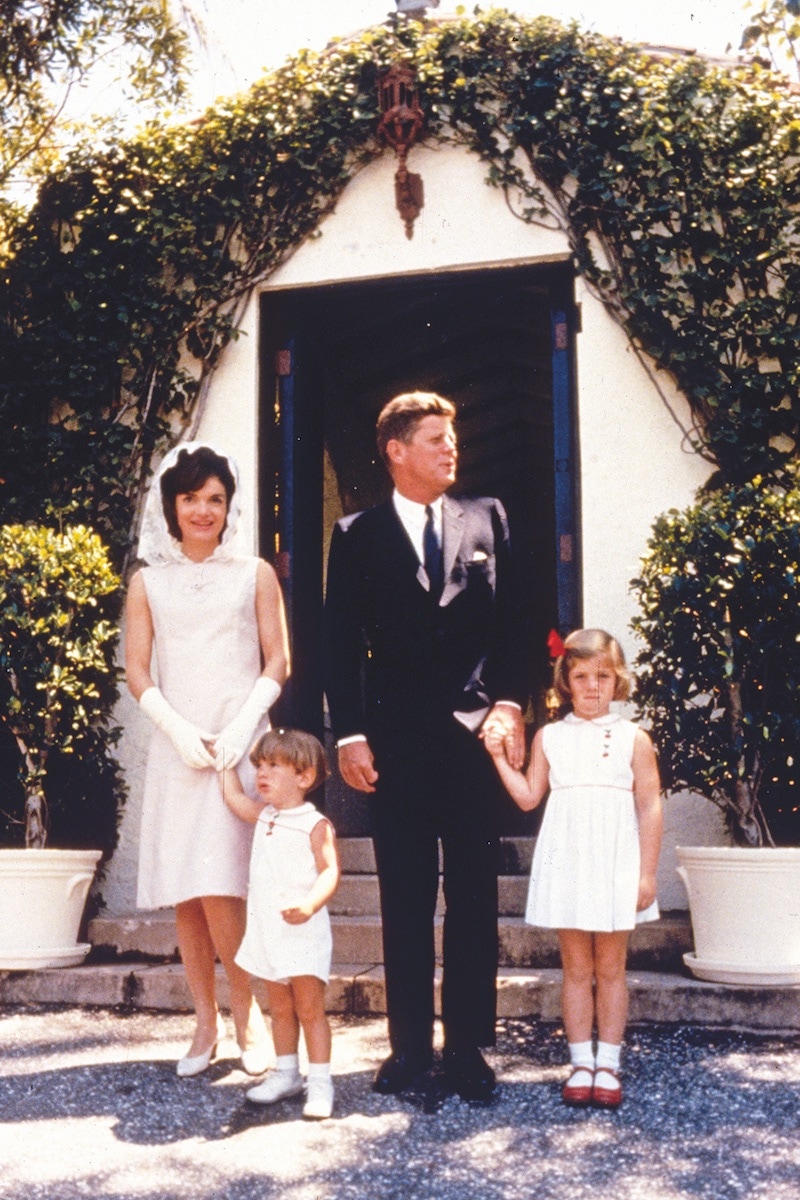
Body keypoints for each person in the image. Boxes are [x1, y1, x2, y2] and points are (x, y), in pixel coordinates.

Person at [324, 391, 528, 1104]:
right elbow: (339, 642)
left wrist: (508, 703)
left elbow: (517, 621)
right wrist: (348, 731)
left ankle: (468, 1047)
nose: (451, 449)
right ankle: (409, 1047)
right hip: (395, 745)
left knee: (473, 895)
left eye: (453, 438)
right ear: (397, 451)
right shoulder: (356, 534)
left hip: (474, 741)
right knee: (405, 895)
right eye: (436, 439)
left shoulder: (487, 519)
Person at [126, 442, 290, 1077]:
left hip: (239, 748)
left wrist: (242, 727)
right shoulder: (149, 582)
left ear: (230, 506)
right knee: (188, 895)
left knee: (227, 888)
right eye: (191, 499)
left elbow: (278, 659)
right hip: (178, 752)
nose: (203, 510)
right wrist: (176, 729)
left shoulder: (254, 573)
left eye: (214, 500)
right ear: (172, 504)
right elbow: (138, 670)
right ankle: (204, 1023)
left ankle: (247, 1019)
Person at [484, 628, 663, 1109]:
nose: (592, 686)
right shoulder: (549, 737)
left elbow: (649, 806)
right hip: (568, 863)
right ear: (565, 681)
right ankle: (580, 1061)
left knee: (611, 968)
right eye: (581, 676)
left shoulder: (633, 738)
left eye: (603, 676)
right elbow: (527, 797)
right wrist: (500, 757)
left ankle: (610, 1063)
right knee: (575, 969)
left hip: (613, 864)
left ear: (617, 680)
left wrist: (646, 874)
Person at [223, 727, 340, 1120]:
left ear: (304, 777)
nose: (262, 774)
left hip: (302, 932)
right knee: (280, 1007)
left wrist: (309, 905)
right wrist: (224, 763)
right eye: (260, 765)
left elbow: (329, 873)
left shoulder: (315, 824)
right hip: (270, 932)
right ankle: (287, 1073)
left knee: (309, 1008)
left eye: (274, 766)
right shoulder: (265, 815)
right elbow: (235, 798)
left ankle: (320, 1081)